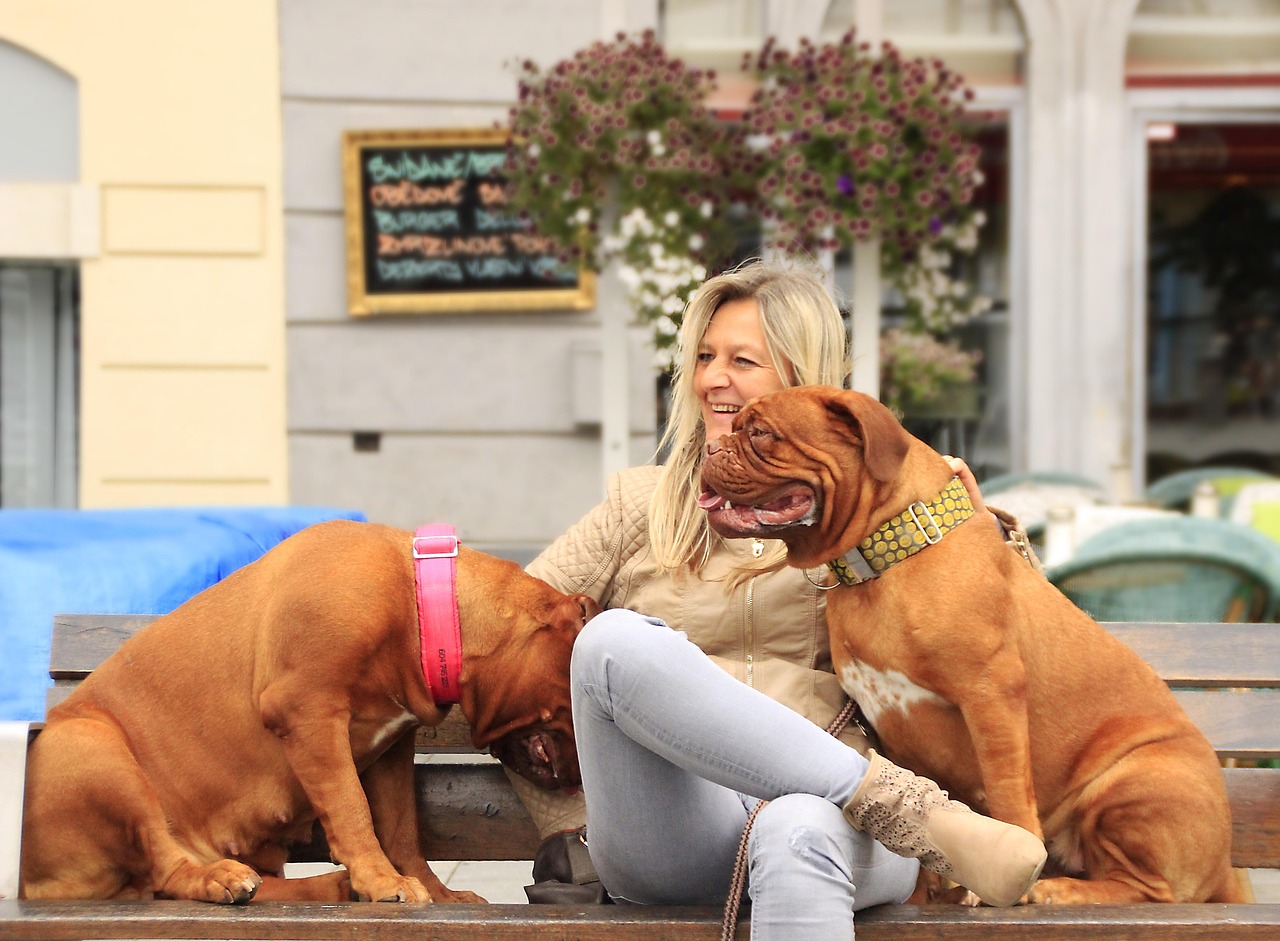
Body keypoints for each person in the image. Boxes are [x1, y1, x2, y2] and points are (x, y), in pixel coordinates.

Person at [510, 259, 1045, 940]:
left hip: (833, 830)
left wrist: (984, 537)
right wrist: (567, 823)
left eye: (742, 360)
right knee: (611, 642)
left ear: (801, 375)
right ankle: (911, 812)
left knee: (798, 826)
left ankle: (888, 809)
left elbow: (1015, 650)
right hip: (676, 827)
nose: (712, 378)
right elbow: (506, 646)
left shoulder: (875, 509)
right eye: (704, 357)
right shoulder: (636, 507)